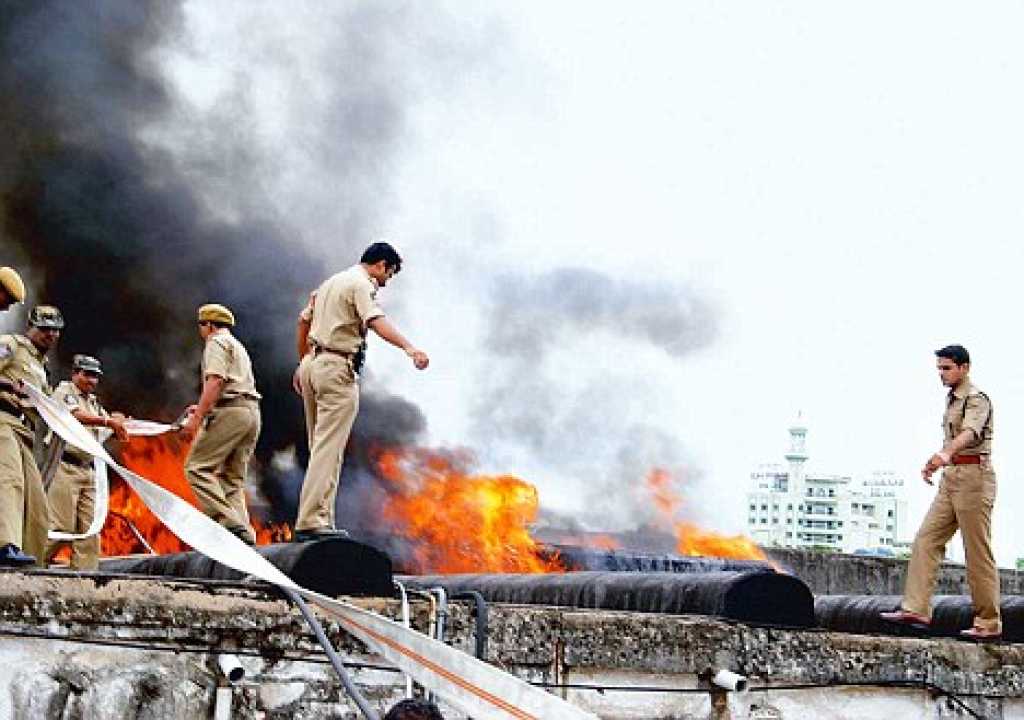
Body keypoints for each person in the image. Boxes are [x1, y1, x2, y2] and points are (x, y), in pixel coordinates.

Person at [294, 242, 428, 542]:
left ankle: (321, 519)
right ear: (380, 264)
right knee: (329, 448)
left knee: (321, 445)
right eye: (388, 275)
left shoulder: (330, 283)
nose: (384, 282)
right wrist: (410, 348)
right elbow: (376, 321)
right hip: (336, 368)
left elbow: (303, 321)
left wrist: (304, 362)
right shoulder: (359, 284)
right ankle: (311, 521)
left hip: (314, 365)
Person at [881, 344, 1000, 640]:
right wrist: (938, 464)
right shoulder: (951, 400)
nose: (942, 374)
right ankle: (917, 609)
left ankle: (988, 623)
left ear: (964, 367)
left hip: (975, 477)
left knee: (977, 552)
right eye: (939, 368)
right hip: (952, 478)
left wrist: (944, 454)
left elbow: (970, 433)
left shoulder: (976, 400)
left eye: (947, 368)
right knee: (926, 539)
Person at [179, 304, 262, 545]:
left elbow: (216, 380)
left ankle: (228, 524)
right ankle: (244, 537)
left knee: (196, 468)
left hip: (230, 413)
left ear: (209, 325)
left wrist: (196, 419)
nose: (200, 330)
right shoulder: (236, 345)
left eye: (201, 325)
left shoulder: (215, 343)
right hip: (250, 413)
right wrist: (203, 407)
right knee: (232, 480)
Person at [43, 355, 129, 570]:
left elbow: (105, 429)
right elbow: (74, 416)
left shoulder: (93, 403)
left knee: (90, 531)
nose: (91, 380)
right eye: (87, 374)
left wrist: (120, 422)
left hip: (88, 471)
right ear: (75, 373)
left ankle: (85, 579)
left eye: (95, 376)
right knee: (61, 526)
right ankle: (33, 566)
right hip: (66, 467)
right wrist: (109, 421)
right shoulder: (64, 391)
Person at [0, 305, 62, 566]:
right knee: (9, 481)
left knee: (36, 502)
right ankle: (5, 546)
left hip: (25, 431)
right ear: (31, 328)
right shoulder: (10, 345)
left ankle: (31, 562)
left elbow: (49, 406)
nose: (50, 335)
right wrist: (11, 386)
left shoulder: (41, 367)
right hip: (3, 420)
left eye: (55, 330)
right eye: (44, 329)